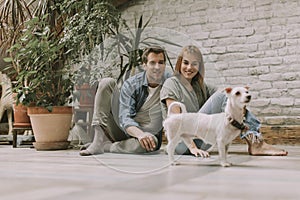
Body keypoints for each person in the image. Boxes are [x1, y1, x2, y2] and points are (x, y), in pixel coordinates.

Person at [160, 45, 288, 157]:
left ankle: (255, 140)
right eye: (186, 63)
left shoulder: (199, 85)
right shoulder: (171, 83)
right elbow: (177, 122)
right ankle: (255, 142)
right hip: (181, 145)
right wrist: (193, 148)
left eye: (194, 64)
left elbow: (227, 98)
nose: (189, 67)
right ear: (179, 63)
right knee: (224, 96)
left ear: (199, 66)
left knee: (230, 97)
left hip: (202, 140)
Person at [80, 46, 168, 156]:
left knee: (148, 144)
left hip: (148, 136)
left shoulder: (170, 83)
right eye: (152, 63)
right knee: (107, 82)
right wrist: (139, 134)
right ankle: (97, 141)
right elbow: (125, 117)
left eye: (161, 62)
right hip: (124, 130)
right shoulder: (132, 84)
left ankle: (105, 146)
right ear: (144, 65)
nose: (157, 67)